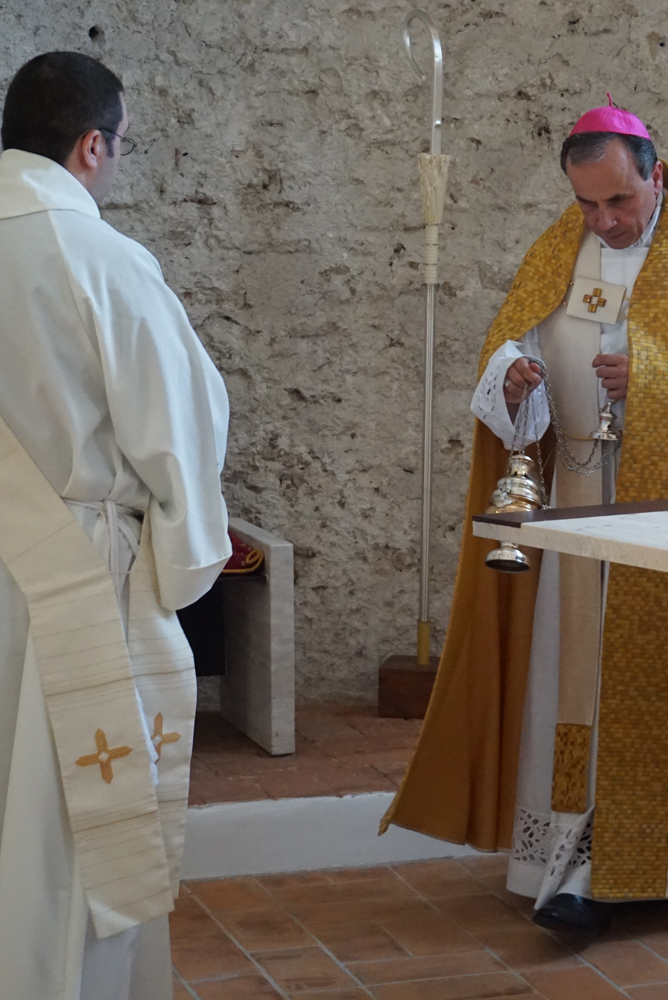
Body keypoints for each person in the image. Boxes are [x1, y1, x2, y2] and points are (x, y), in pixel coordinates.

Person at [383, 99, 668, 932]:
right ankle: (569, 858)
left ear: (657, 175)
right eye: (586, 204)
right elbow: (514, 341)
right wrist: (511, 378)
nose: (604, 221)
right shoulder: (559, 249)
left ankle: (655, 864)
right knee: (572, 682)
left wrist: (655, 382)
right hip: (577, 502)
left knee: (649, 687)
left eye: (619, 201)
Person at [0, 52, 230, 996]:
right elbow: (182, 425)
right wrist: (176, 564)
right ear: (92, 146)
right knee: (65, 842)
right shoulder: (95, 256)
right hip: (76, 581)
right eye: (123, 146)